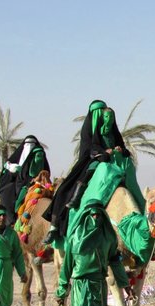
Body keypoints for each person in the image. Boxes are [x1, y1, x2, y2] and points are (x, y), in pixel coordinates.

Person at [43, 100, 130, 244]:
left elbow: (121, 145)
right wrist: (102, 153)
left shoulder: (112, 132)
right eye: (99, 112)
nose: (101, 116)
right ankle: (55, 225)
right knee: (64, 190)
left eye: (104, 112)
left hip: (114, 163)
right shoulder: (88, 130)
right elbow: (90, 149)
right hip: (89, 161)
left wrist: (121, 150)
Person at [0, 136, 50, 226]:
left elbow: (43, 171)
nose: (29, 147)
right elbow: (4, 180)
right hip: (17, 186)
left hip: (36, 184)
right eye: (27, 144)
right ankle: (10, 222)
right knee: (7, 193)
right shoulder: (14, 162)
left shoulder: (39, 154)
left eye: (32, 144)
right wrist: (11, 170)